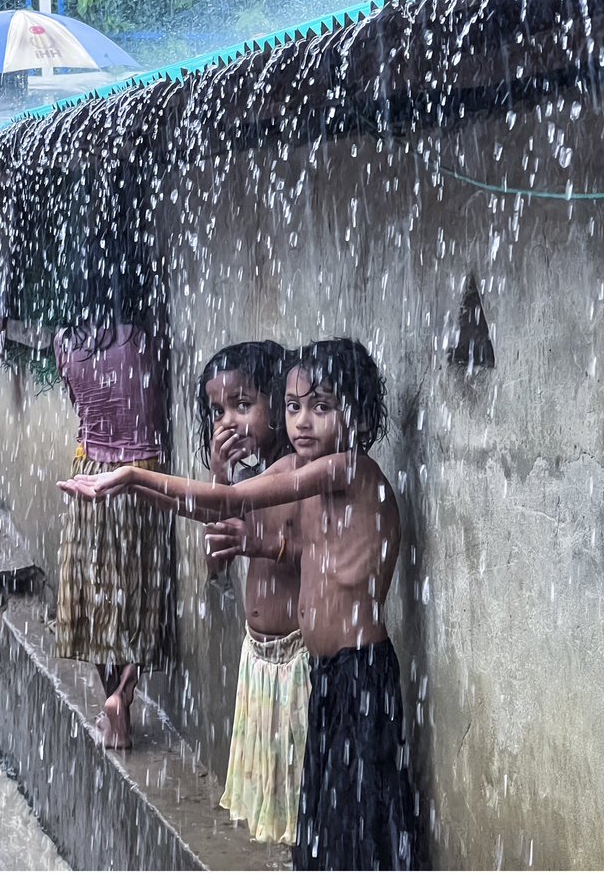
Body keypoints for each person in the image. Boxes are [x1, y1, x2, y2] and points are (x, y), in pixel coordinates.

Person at [58, 338, 425, 869]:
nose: (302, 422)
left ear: (360, 413)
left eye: (322, 407)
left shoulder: (348, 470)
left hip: (361, 672)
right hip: (329, 671)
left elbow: (233, 501)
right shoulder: (307, 474)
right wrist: (132, 490)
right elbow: (213, 505)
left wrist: (135, 473)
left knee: (360, 815)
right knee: (325, 817)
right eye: (295, 406)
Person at [194, 340, 312, 845]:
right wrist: (220, 480)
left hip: (296, 659)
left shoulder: (300, 476)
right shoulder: (245, 481)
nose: (229, 424)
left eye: (243, 406)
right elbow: (215, 566)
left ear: (277, 403)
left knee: (301, 793)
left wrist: (261, 541)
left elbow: (320, 561)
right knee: (273, 800)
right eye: (217, 411)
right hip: (257, 660)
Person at [53, 285, 172, 751]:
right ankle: (125, 695)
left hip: (88, 476)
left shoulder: (65, 341)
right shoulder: (143, 337)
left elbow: (79, 408)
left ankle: (113, 710)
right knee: (139, 599)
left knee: (100, 603)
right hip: (140, 477)